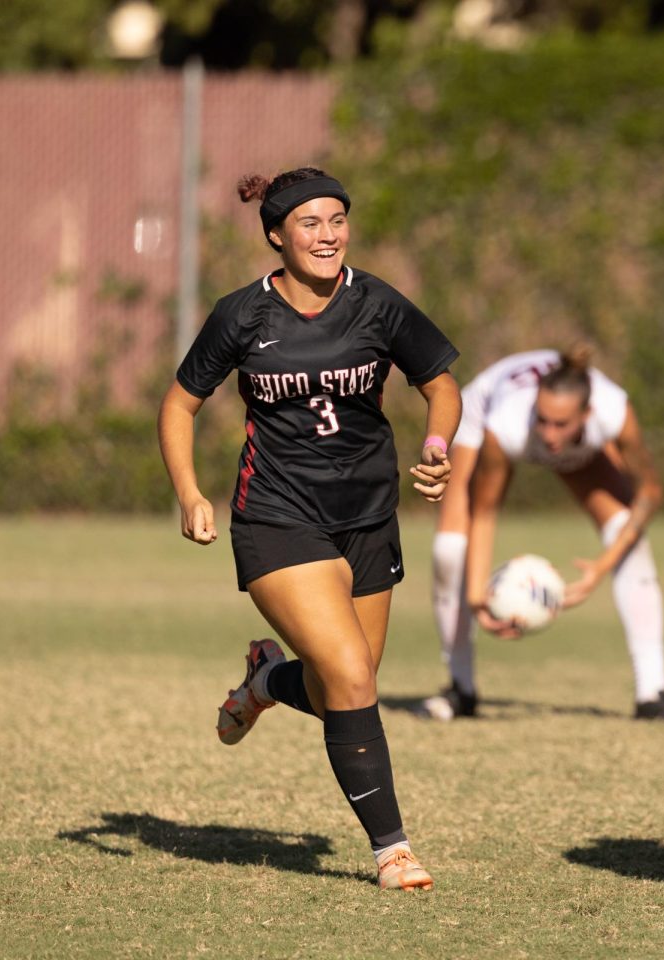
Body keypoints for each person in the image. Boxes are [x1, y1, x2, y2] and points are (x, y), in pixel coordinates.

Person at [157, 166, 461, 892]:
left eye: (336, 220)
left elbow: (442, 385)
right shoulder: (243, 315)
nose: (327, 236)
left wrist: (437, 446)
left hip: (368, 519)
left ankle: (264, 680)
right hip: (277, 516)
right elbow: (177, 406)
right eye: (309, 224)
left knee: (340, 690)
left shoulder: (377, 302)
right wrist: (189, 493)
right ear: (276, 236)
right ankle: (393, 850)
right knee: (352, 678)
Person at [421, 347, 664, 723]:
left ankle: (653, 692)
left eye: (561, 424)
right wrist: (476, 596)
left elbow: (650, 493)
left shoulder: (613, 411)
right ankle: (460, 689)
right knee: (450, 550)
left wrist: (601, 568)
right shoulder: (507, 424)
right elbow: (484, 512)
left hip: (579, 449)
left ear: (587, 414)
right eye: (543, 420)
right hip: (479, 415)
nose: (549, 434)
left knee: (627, 535)